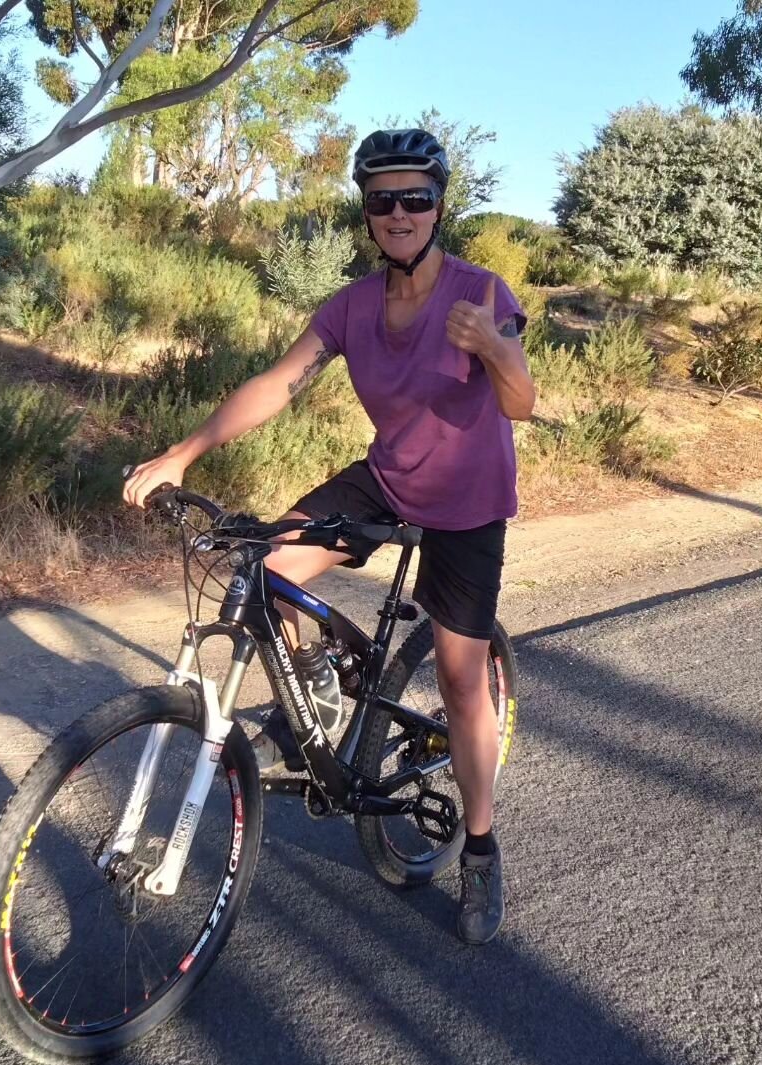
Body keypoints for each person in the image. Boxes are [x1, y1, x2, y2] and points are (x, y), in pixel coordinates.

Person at [124, 128, 534, 945]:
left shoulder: (481, 290)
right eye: (382, 199)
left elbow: (520, 400)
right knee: (267, 565)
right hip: (386, 477)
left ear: (439, 204)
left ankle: (480, 849)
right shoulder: (352, 305)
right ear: (368, 212)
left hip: (469, 504)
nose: (399, 212)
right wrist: (184, 451)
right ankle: (316, 684)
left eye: (415, 196)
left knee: (459, 682)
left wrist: (491, 347)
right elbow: (279, 381)